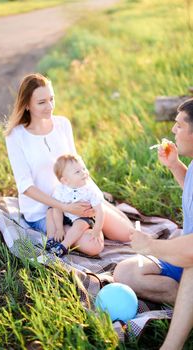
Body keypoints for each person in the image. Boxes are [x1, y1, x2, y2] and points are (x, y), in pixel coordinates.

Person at [5, 73, 132, 258]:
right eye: (41, 102)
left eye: (51, 99)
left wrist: (94, 197)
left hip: (76, 198)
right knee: (94, 246)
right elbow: (25, 186)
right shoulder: (16, 136)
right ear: (26, 105)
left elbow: (77, 165)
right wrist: (65, 208)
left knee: (128, 233)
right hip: (44, 212)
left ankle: (97, 217)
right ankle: (77, 231)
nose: (49, 107)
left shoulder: (62, 124)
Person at [114, 98, 193, 350]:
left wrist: (150, 245)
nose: (172, 131)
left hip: (190, 255)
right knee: (124, 272)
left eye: (179, 125)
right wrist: (175, 166)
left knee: (192, 266)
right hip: (184, 252)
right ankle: (183, 302)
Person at [46, 154, 105, 257]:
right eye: (78, 172)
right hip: (66, 215)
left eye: (84, 168)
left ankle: (63, 247)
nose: (84, 173)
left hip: (82, 217)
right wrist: (59, 228)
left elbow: (100, 212)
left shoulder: (90, 190)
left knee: (80, 225)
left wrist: (97, 230)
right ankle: (51, 240)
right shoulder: (60, 190)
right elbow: (57, 209)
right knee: (51, 211)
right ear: (65, 180)